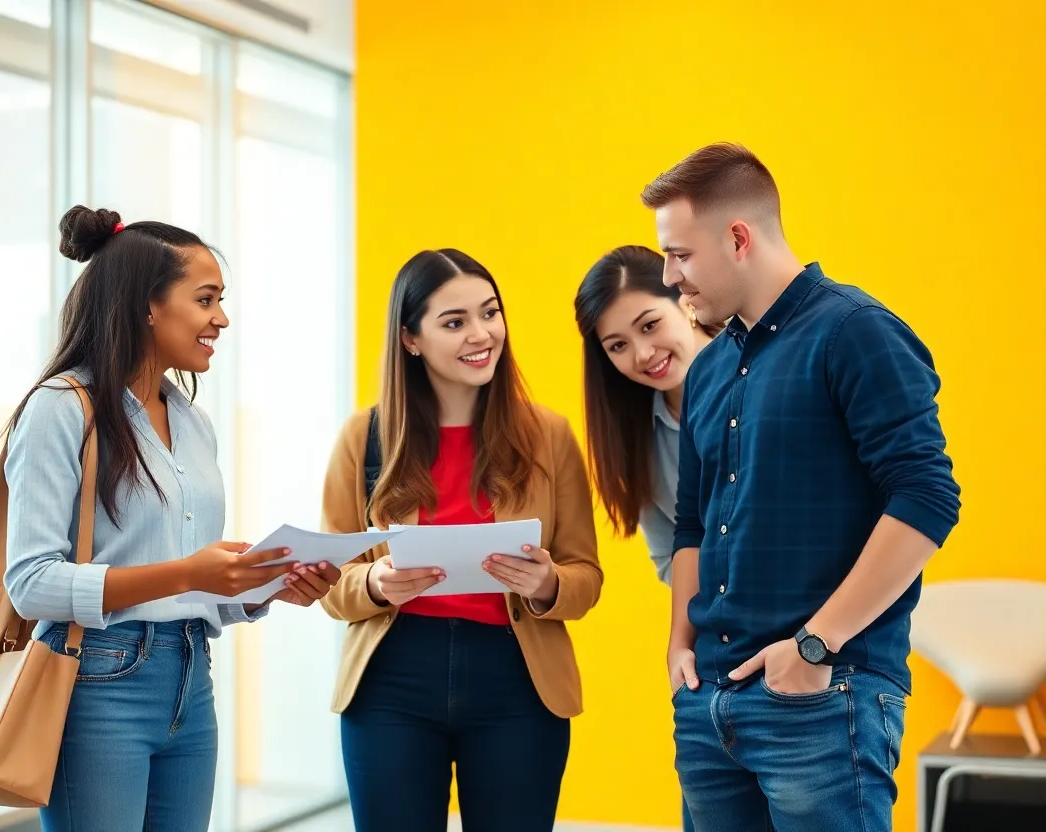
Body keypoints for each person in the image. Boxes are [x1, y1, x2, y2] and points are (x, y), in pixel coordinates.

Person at [641, 143, 961, 831]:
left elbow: (927, 496)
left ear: (737, 238)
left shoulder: (855, 333)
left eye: (680, 255)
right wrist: (680, 647)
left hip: (821, 696)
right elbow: (692, 525)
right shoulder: (707, 370)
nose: (671, 278)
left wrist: (816, 645)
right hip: (710, 705)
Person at [3, 205, 340, 832]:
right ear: (146, 306)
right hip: (97, 679)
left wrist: (266, 584)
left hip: (191, 676)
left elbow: (192, 583)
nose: (222, 318)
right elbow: (31, 584)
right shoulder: (59, 409)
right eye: (206, 298)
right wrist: (188, 573)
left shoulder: (191, 420)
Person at [318, 248, 603, 832]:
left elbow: (586, 575)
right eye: (455, 322)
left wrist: (549, 583)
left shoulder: (548, 434)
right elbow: (330, 585)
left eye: (490, 313)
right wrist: (373, 580)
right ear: (410, 339)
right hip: (391, 679)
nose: (482, 334)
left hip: (518, 682)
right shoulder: (363, 436)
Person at [573, 244, 722, 832]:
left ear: (684, 303)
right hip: (710, 658)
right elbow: (670, 558)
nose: (642, 354)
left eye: (649, 325)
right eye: (617, 345)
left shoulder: (764, 382)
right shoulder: (634, 435)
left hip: (808, 648)